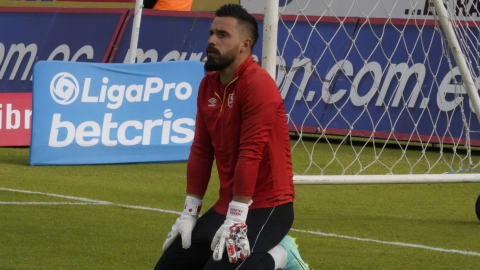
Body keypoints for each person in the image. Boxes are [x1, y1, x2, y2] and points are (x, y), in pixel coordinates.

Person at [154, 4, 310, 270]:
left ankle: (282, 255)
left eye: (223, 35)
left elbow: (250, 152)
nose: (212, 40)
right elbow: (202, 151)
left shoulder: (257, 83)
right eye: (212, 33)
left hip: (266, 206)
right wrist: (190, 213)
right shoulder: (208, 84)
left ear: (244, 45)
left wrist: (237, 217)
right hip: (226, 204)